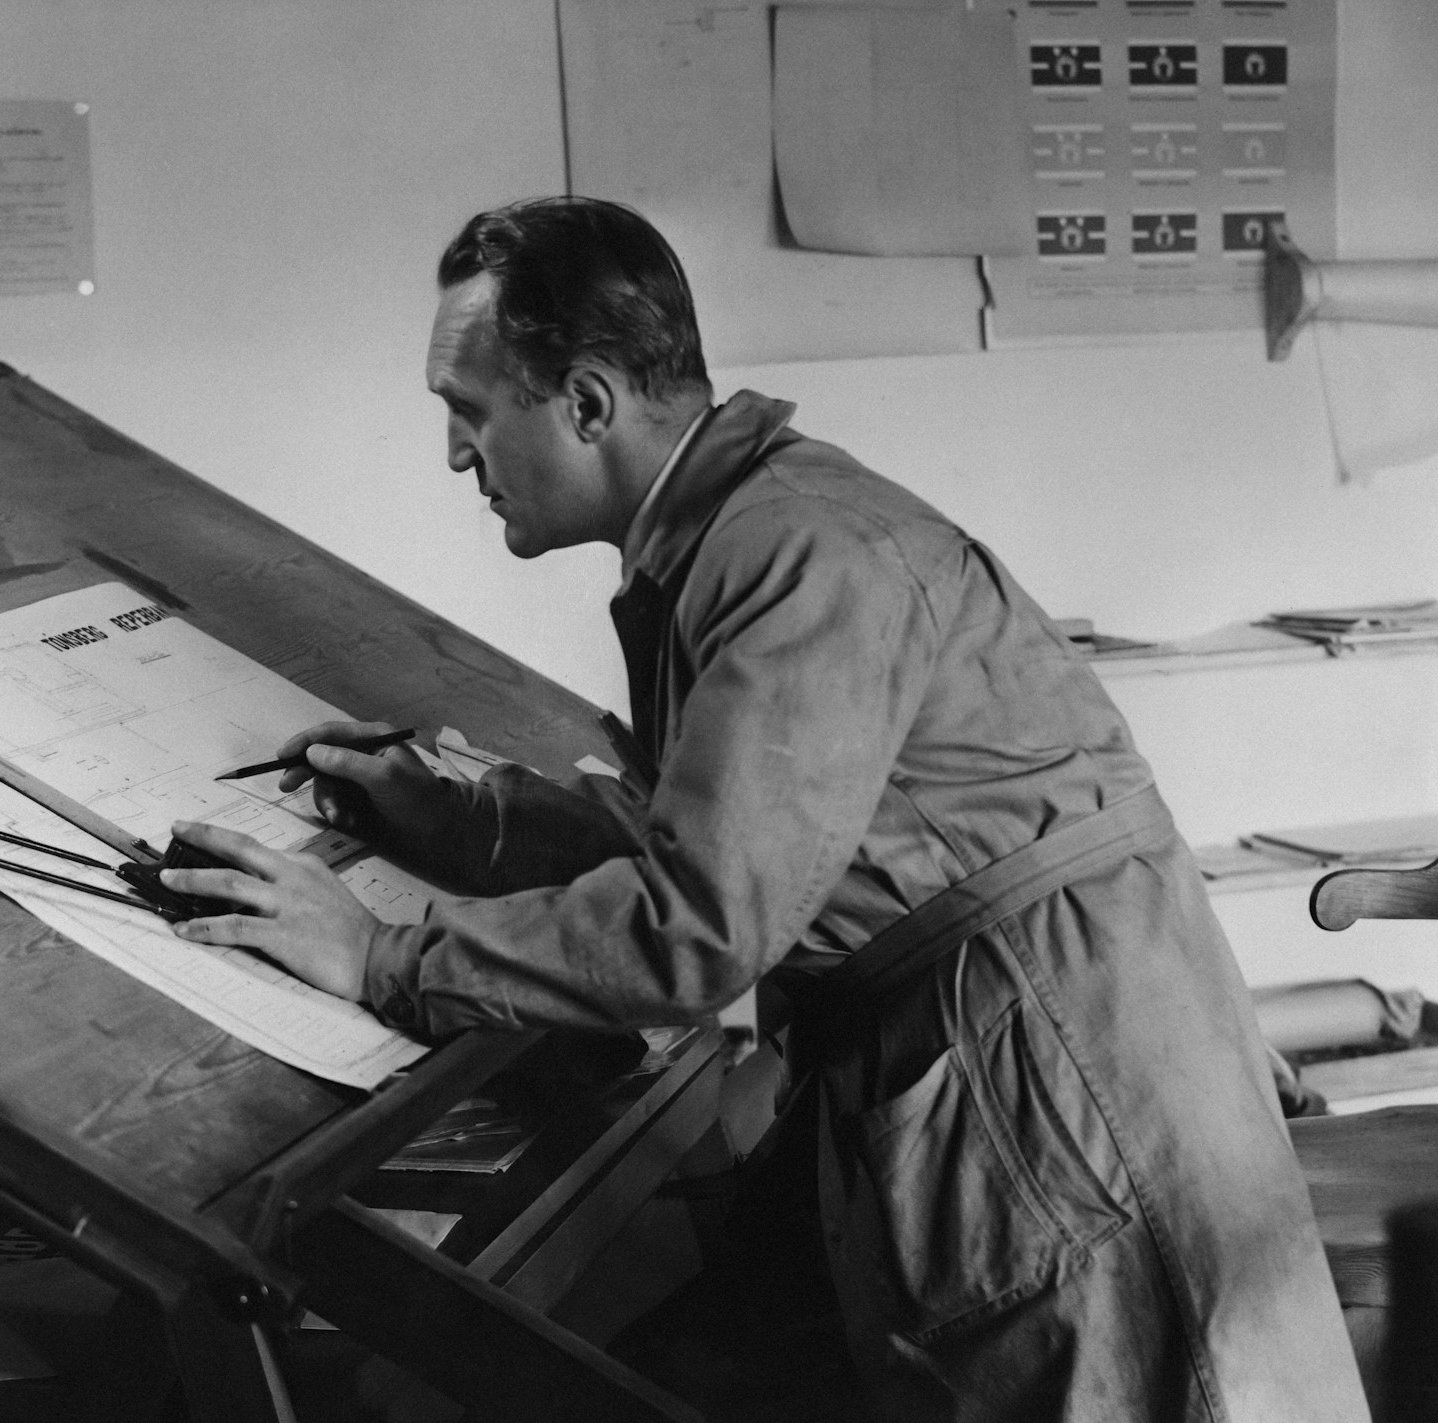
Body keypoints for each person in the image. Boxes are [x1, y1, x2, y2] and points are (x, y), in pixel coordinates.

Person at [161, 197, 1366, 1421]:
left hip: (1059, 1076)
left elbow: (704, 919)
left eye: (468, 413)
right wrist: (477, 824)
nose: (456, 457)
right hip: (1031, 1039)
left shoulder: (794, 553)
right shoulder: (740, 528)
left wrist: (378, 956)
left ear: (584, 404)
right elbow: (755, 835)